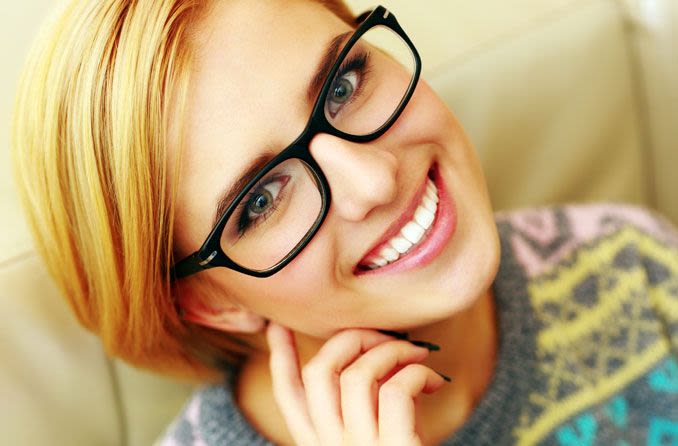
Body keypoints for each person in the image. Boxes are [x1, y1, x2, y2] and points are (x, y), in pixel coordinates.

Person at [12, 0, 677, 444]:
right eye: (262, 199)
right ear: (210, 300)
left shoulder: (627, 261)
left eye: (343, 84)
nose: (375, 178)